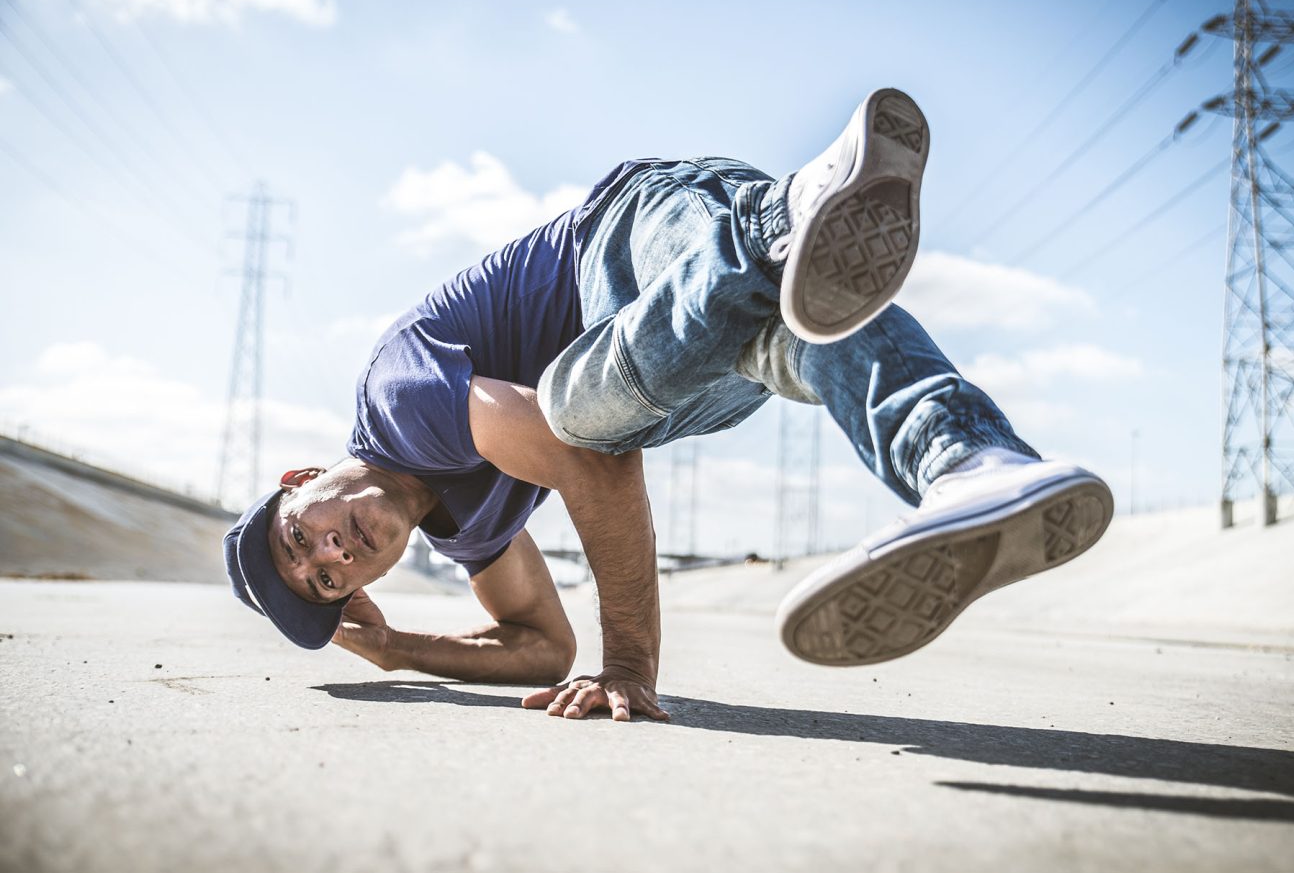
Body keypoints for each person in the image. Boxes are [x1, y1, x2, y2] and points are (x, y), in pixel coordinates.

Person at [223, 88, 1113, 723]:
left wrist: (633, 663)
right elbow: (540, 647)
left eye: (303, 536)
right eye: (329, 581)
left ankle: (775, 222)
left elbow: (588, 461)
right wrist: (398, 650)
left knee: (576, 411)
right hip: (677, 375)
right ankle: (970, 463)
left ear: (302, 479)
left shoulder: (397, 401)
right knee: (804, 322)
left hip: (630, 235)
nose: (334, 552)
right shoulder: (466, 530)